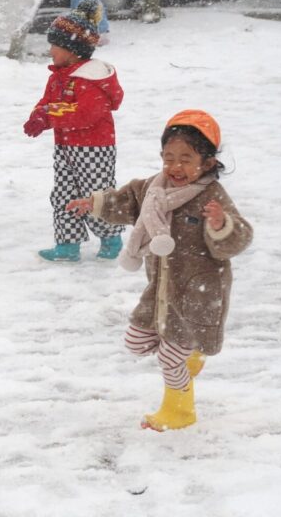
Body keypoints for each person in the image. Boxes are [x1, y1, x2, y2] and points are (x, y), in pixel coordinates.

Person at [65, 110, 252, 430]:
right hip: (161, 288)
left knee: (169, 358)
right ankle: (191, 355)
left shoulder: (211, 197)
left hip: (198, 293)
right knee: (136, 342)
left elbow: (240, 238)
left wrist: (220, 224)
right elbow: (126, 202)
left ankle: (179, 411)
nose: (175, 167)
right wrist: (94, 204)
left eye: (186, 160)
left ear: (207, 163)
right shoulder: (153, 188)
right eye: (169, 158)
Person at [23, 0, 124, 262]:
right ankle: (67, 244)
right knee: (63, 194)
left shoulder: (90, 79)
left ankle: (111, 238)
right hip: (65, 148)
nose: (50, 51)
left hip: (95, 149)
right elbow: (47, 102)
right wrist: (39, 115)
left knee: (97, 195)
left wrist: (50, 115)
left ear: (72, 49)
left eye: (54, 45)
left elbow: (85, 115)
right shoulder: (58, 76)